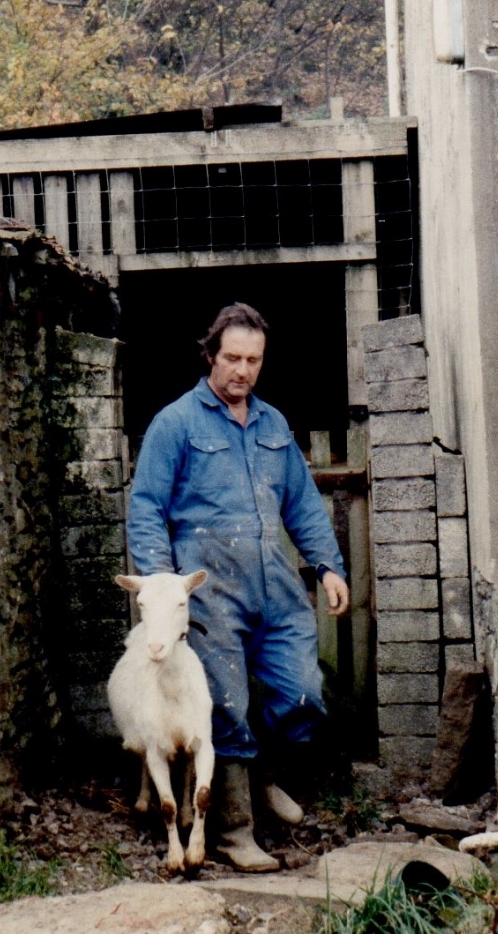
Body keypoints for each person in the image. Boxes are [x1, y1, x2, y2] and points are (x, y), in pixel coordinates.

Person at [126, 302, 350, 872]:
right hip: (209, 593)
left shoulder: (274, 425)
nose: (242, 370)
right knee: (226, 706)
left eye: (253, 360)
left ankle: (263, 779)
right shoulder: (176, 423)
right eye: (232, 358)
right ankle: (233, 830)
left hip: (274, 585)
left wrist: (328, 566)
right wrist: (163, 586)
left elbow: (303, 504)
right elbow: (146, 507)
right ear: (210, 356)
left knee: (303, 693)